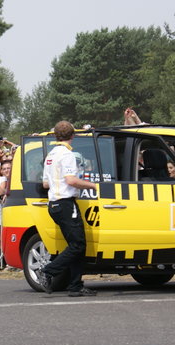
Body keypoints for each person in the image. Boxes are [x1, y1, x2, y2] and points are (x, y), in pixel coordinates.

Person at [36, 122, 98, 297]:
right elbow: (71, 180)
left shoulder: (50, 155)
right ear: (73, 136)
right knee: (78, 245)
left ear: (56, 135)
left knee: (76, 245)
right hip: (65, 203)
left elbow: (45, 183)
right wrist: (93, 186)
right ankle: (48, 271)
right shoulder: (67, 154)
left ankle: (76, 285)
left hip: (54, 203)